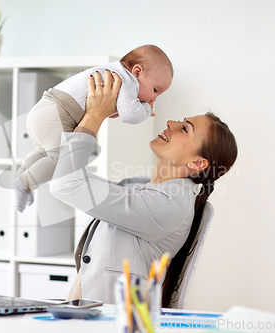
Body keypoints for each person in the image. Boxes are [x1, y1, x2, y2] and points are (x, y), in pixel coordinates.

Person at [49, 71, 238, 307]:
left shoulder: (170, 206)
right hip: (88, 315)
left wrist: (95, 115)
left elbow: (67, 184)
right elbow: (73, 178)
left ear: (197, 163)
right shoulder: (140, 188)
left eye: (185, 129)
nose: (171, 123)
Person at [15, 45, 173, 212]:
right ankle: (25, 183)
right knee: (60, 158)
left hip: (43, 109)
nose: (154, 97)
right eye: (155, 90)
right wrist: (147, 109)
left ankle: (22, 176)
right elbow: (131, 115)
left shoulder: (111, 69)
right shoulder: (126, 80)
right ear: (137, 72)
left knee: (43, 151)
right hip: (58, 114)